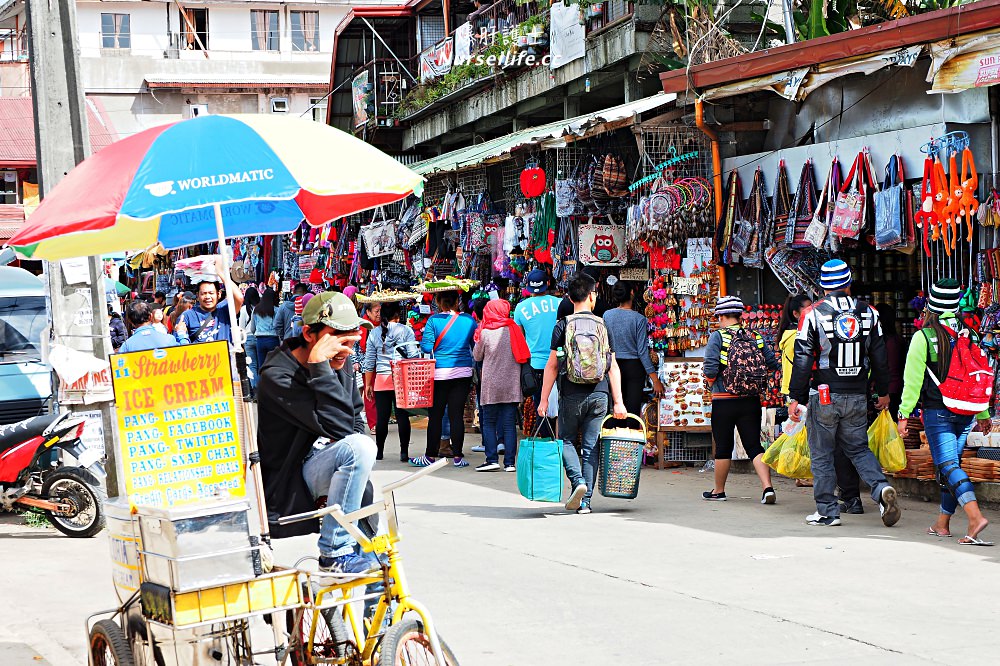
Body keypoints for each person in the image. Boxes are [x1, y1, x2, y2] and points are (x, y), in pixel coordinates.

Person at [257, 291, 379, 574]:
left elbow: (355, 423)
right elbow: (343, 430)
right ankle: (334, 550)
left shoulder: (341, 360)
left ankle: (381, 620)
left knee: (378, 561)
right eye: (338, 341)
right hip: (293, 482)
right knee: (359, 448)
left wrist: (327, 366)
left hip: (336, 473)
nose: (346, 351)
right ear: (309, 334)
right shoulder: (278, 375)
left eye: (352, 343)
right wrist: (320, 367)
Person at [788, 259, 901, 528]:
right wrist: (883, 392)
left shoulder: (813, 314)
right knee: (858, 448)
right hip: (857, 394)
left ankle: (828, 511)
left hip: (824, 393)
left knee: (823, 453)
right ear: (849, 283)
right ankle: (880, 488)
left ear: (823, 286)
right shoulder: (869, 313)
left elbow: (803, 357)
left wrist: (797, 396)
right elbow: (880, 356)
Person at [898, 280, 992, 545]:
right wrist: (982, 414)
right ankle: (942, 523)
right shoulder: (970, 334)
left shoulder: (924, 337)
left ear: (930, 305)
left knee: (948, 466)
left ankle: (975, 518)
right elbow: (977, 379)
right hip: (965, 410)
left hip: (938, 410)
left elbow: (912, 380)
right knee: (951, 467)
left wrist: (904, 414)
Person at [538, 272, 627, 515]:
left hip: (570, 393)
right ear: (591, 296)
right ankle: (585, 501)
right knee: (591, 447)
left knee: (565, 440)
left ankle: (577, 481)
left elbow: (552, 365)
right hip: (599, 394)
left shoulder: (562, 325)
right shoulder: (603, 324)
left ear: (569, 296)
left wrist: (544, 399)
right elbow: (612, 366)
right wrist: (618, 402)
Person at [702, 295, 779, 504]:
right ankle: (767, 488)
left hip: (724, 400)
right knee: (754, 445)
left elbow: (710, 367)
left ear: (721, 315)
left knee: (724, 447)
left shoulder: (717, 336)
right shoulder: (755, 336)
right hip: (751, 400)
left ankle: (718, 491)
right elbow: (771, 363)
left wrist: (711, 382)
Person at [411, 290, 478, 468]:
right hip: (463, 372)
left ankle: (430, 456)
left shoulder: (434, 321)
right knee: (456, 415)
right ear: (457, 301)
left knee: (436, 416)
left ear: (439, 302)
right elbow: (475, 347)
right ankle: (458, 457)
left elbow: (426, 347)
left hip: (440, 373)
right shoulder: (469, 320)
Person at [473, 299, 531, 472]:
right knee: (508, 424)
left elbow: (477, 356)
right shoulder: (514, 329)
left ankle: (491, 459)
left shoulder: (485, 332)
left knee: (489, 422)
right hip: (511, 384)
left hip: (491, 385)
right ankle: (510, 463)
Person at [362, 301, 417, 461]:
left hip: (381, 379)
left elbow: (369, 361)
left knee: (382, 418)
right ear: (397, 314)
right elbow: (413, 356)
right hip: (401, 379)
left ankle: (379, 452)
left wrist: (368, 385)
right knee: (402, 417)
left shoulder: (373, 333)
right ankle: (404, 453)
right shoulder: (406, 330)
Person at [603, 282, 663, 425]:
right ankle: (630, 444)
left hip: (612, 365)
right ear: (631, 293)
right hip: (634, 368)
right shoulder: (639, 319)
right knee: (632, 412)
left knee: (613, 409)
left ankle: (612, 442)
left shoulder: (607, 315)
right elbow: (642, 352)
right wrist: (655, 379)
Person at [514, 268, 561, 434]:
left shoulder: (521, 308)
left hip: (535, 364)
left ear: (528, 287)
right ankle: (561, 441)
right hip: (560, 360)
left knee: (541, 404)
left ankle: (546, 441)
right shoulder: (560, 303)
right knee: (562, 403)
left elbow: (519, 338)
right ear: (547, 284)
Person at [778, 294, 815, 488]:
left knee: (801, 432)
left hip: (793, 389)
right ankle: (804, 473)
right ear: (795, 313)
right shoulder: (795, 338)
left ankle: (802, 473)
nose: (812, 310)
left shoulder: (790, 334)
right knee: (805, 433)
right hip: (798, 390)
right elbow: (801, 367)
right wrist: (798, 395)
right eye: (807, 307)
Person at [176, 257, 244, 346]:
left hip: (224, 358)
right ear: (197, 296)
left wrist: (221, 273)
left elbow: (239, 297)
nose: (207, 297)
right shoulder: (187, 316)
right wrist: (182, 335)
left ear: (218, 294)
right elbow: (180, 349)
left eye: (211, 293)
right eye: (203, 293)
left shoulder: (225, 310)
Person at [876, 303, 904, 418]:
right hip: (893, 388)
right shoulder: (897, 340)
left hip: (889, 391)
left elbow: (888, 368)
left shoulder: (889, 342)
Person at [359, 301, 382, 433]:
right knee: (370, 393)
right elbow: (358, 346)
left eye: (380, 311)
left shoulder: (382, 324)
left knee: (379, 393)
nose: (379, 314)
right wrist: (356, 362)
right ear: (368, 312)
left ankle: (380, 420)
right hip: (367, 364)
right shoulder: (363, 325)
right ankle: (373, 424)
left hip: (380, 364)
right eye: (376, 311)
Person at [251, 288, 281, 376]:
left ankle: (263, 387)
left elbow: (252, 328)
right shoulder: (276, 310)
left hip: (260, 340)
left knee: (262, 367)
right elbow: (277, 326)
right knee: (274, 366)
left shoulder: (256, 310)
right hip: (273, 340)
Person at [238, 287, 261, 396]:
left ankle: (255, 390)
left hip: (248, 339)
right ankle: (263, 389)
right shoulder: (261, 307)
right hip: (259, 337)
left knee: (252, 366)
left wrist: (240, 342)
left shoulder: (243, 310)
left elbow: (241, 327)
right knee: (261, 365)